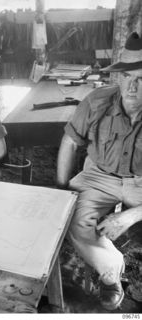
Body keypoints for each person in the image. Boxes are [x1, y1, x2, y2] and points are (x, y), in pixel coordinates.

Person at [57, 32, 142, 311]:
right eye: (127, 77)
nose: (132, 87)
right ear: (117, 77)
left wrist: (128, 216)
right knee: (71, 219)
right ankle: (111, 272)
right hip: (99, 175)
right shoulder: (96, 101)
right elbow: (70, 141)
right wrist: (61, 190)